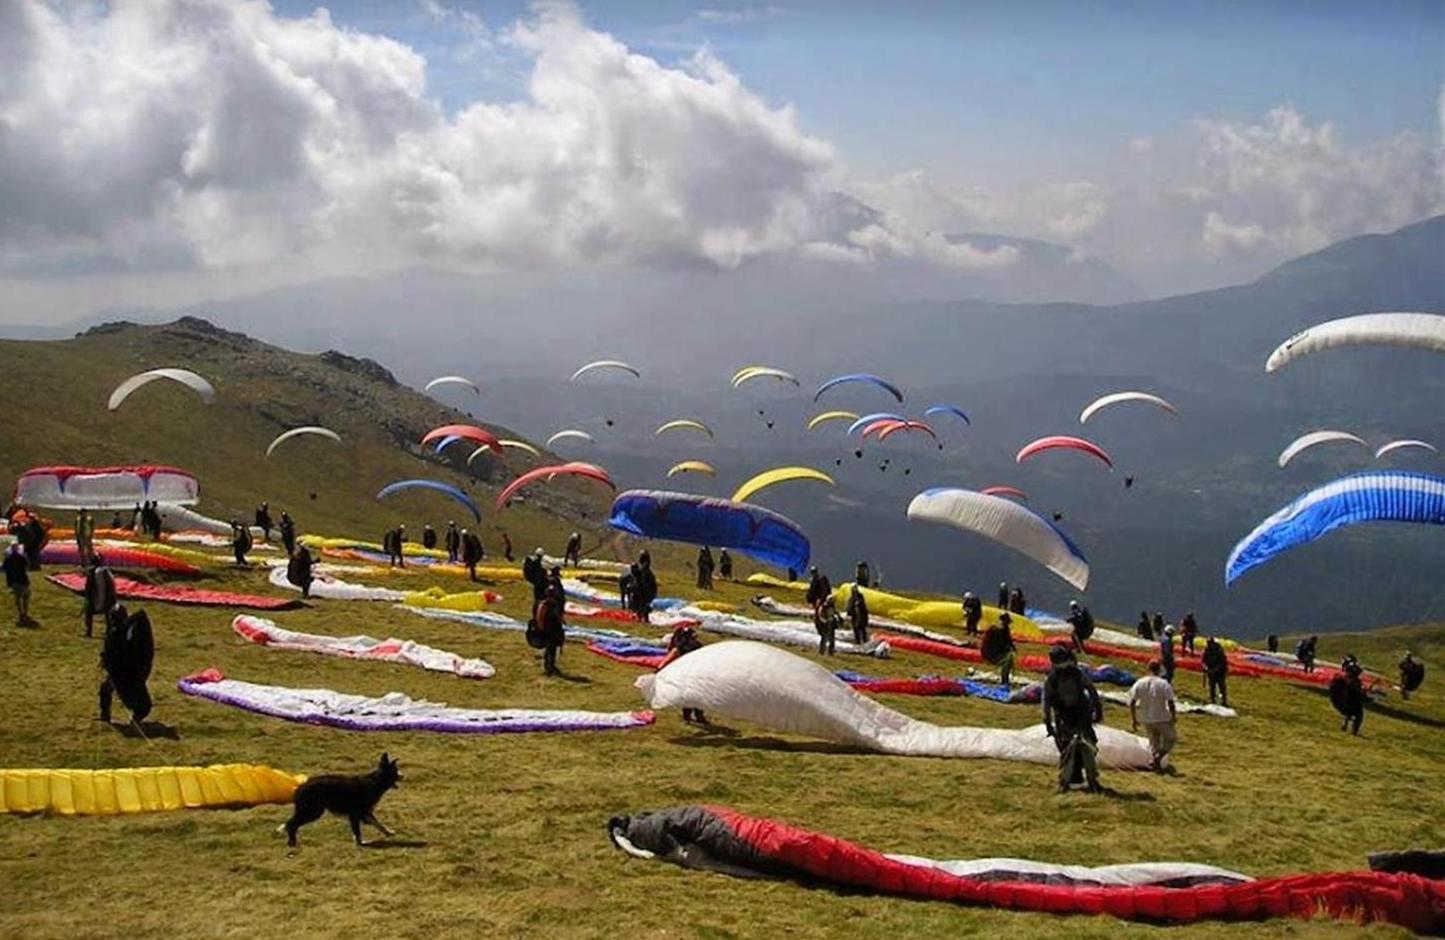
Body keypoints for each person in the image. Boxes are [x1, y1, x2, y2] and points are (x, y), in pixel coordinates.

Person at [1043, 645, 1104, 792]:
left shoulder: (1056, 677)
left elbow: (1046, 703)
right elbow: (1091, 690)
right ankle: (1086, 780)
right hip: (1072, 717)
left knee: (1075, 749)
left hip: (1075, 717)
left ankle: (1070, 781)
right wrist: (1098, 709)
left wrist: (1048, 723)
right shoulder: (1069, 675)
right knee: (1079, 748)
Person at [99, 604, 154, 725]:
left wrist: (107, 659)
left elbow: (120, 653)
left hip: (127, 672)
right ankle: (105, 714)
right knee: (106, 688)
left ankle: (136, 718)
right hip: (121, 671)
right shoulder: (121, 632)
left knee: (139, 701)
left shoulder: (121, 633)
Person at [1128, 660, 1177, 772]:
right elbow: (1170, 702)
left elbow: (1132, 702)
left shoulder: (1140, 682)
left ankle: (1156, 761)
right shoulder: (1163, 684)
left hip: (1146, 717)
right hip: (1161, 717)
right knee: (1171, 738)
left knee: (1154, 741)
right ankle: (1158, 757)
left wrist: (1134, 719)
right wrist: (1173, 716)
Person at [661, 626, 707, 723]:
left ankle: (688, 716)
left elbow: (667, 660)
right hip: (698, 673)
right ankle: (698, 715)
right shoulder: (697, 645)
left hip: (687, 674)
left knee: (688, 695)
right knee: (697, 695)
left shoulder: (679, 647)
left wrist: (658, 670)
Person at [537, 568, 567, 676]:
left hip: (552, 625)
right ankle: (549, 666)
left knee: (552, 646)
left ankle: (550, 665)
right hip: (551, 626)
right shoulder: (548, 603)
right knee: (551, 646)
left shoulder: (549, 601)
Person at [83, 554, 117, 637]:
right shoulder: (107, 572)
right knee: (108, 613)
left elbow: (88, 588)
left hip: (96, 602)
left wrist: (88, 598)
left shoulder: (92, 573)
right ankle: (109, 630)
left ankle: (89, 631)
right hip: (106, 603)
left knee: (89, 612)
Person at [981, 612, 1017, 687]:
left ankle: (1005, 678)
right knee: (1008, 659)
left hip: (997, 651)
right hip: (992, 653)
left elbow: (1008, 640)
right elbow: (999, 643)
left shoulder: (1005, 629)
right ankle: (1004, 679)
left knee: (1009, 657)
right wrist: (1009, 649)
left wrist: (1013, 648)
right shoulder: (995, 630)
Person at [1331, 656, 1365, 735]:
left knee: (1350, 713)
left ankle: (1346, 725)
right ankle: (1353, 731)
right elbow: (1357, 692)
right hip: (1349, 702)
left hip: (1346, 702)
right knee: (1358, 715)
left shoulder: (1347, 679)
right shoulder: (1351, 681)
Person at [4, 543, 33, 626]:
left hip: (14, 581)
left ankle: (21, 612)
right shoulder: (21, 557)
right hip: (23, 580)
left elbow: (5, 568)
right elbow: (28, 566)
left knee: (18, 598)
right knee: (25, 597)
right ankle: (25, 612)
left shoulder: (8, 558)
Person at [631, 552, 658, 623]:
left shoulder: (646, 572)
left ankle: (643, 617)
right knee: (641, 603)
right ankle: (641, 617)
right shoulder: (643, 571)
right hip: (641, 591)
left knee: (643, 603)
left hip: (644, 591)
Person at [1201, 636, 1229, 707]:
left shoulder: (1219, 650)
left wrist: (1214, 670)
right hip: (1211, 672)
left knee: (1221, 687)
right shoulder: (1207, 650)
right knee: (1212, 687)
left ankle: (1223, 701)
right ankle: (1212, 699)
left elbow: (1222, 663)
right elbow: (1203, 661)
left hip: (1220, 673)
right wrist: (1206, 668)